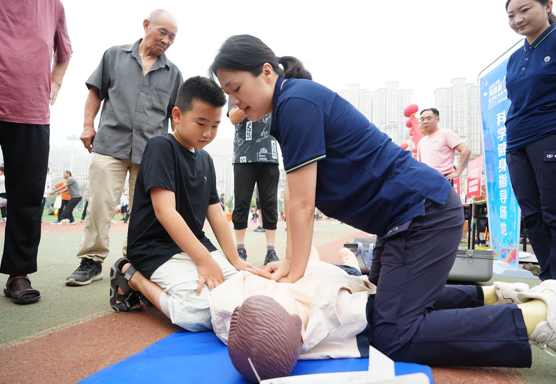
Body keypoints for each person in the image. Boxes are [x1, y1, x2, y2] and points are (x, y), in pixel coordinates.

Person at [209, 34, 556, 366]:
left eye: (236, 89)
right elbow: (297, 196)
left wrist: (294, 270)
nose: (235, 102)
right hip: (404, 220)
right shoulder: (290, 104)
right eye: (228, 94)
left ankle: (539, 316)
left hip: (423, 215)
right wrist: (290, 262)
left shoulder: (296, 102)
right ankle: (499, 295)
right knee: (382, 304)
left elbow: (302, 202)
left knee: (393, 335)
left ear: (266, 72)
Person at [108, 77, 253, 331]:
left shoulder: (206, 159)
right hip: (154, 249)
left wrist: (235, 261)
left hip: (194, 245)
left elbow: (216, 214)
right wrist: (204, 261)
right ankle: (133, 277)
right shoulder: (161, 147)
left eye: (215, 126)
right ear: (177, 115)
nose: (208, 133)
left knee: (245, 296)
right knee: (200, 313)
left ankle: (182, 278)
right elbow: (165, 212)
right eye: (201, 123)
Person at [65, 9, 183, 286]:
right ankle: (91, 261)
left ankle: (135, 262)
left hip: (150, 153)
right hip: (110, 145)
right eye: (162, 32)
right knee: (99, 206)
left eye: (173, 37)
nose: (166, 40)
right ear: (146, 25)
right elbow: (95, 93)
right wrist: (87, 125)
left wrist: (176, 151)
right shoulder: (114, 56)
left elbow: (176, 116)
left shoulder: (173, 72)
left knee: (146, 212)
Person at [0, 0, 72, 304]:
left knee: (28, 198)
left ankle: (18, 274)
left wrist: (55, 82)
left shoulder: (52, 5)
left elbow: (64, 53)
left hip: (31, 112)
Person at [505, 0, 556, 281]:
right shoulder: (514, 58)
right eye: (511, 15)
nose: (517, 19)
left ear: (547, 6)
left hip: (548, 134)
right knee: (532, 216)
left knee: (553, 211)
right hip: (516, 141)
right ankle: (548, 281)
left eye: (525, 10)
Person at [229, 108, 280, 264]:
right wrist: (249, 103)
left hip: (270, 157)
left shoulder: (273, 95)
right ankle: (240, 249)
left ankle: (271, 250)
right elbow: (233, 118)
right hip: (243, 156)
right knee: (242, 201)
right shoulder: (238, 93)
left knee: (270, 202)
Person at [417, 108, 471, 182]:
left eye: (429, 118)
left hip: (442, 178)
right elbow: (420, 163)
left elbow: (465, 150)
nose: (425, 121)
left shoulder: (446, 133)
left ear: (438, 119)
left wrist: (458, 172)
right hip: (425, 180)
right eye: (422, 119)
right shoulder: (422, 141)